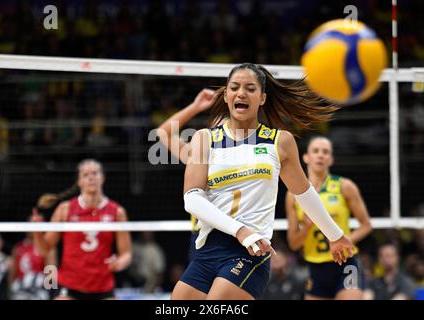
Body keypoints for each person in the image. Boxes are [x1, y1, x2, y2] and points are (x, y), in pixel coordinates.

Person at [171, 63, 354, 300]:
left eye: (250, 88)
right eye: (234, 87)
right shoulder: (204, 139)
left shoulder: (280, 142)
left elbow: (304, 193)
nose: (241, 93)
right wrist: (240, 231)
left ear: (262, 98)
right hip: (208, 250)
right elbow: (192, 199)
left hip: (251, 250)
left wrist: (335, 235)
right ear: (226, 95)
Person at [285, 136, 373, 300]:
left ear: (330, 159)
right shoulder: (293, 195)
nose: (320, 155)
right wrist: (307, 226)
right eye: (316, 151)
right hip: (316, 267)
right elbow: (293, 243)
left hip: (346, 264)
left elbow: (366, 225)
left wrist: (343, 241)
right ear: (305, 157)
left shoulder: (345, 186)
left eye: (325, 152)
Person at [31, 159, 132, 300]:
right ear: (79, 182)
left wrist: (119, 263)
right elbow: (44, 249)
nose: (91, 177)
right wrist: (36, 231)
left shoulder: (117, 211)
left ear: (102, 178)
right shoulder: (65, 209)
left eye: (95, 173)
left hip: (102, 287)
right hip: (70, 286)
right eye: (85, 175)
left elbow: (126, 254)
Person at [156, 88, 218, 261]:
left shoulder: (249, 155)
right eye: (215, 126)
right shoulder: (198, 153)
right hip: (202, 235)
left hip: (236, 233)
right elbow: (163, 133)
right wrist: (196, 106)